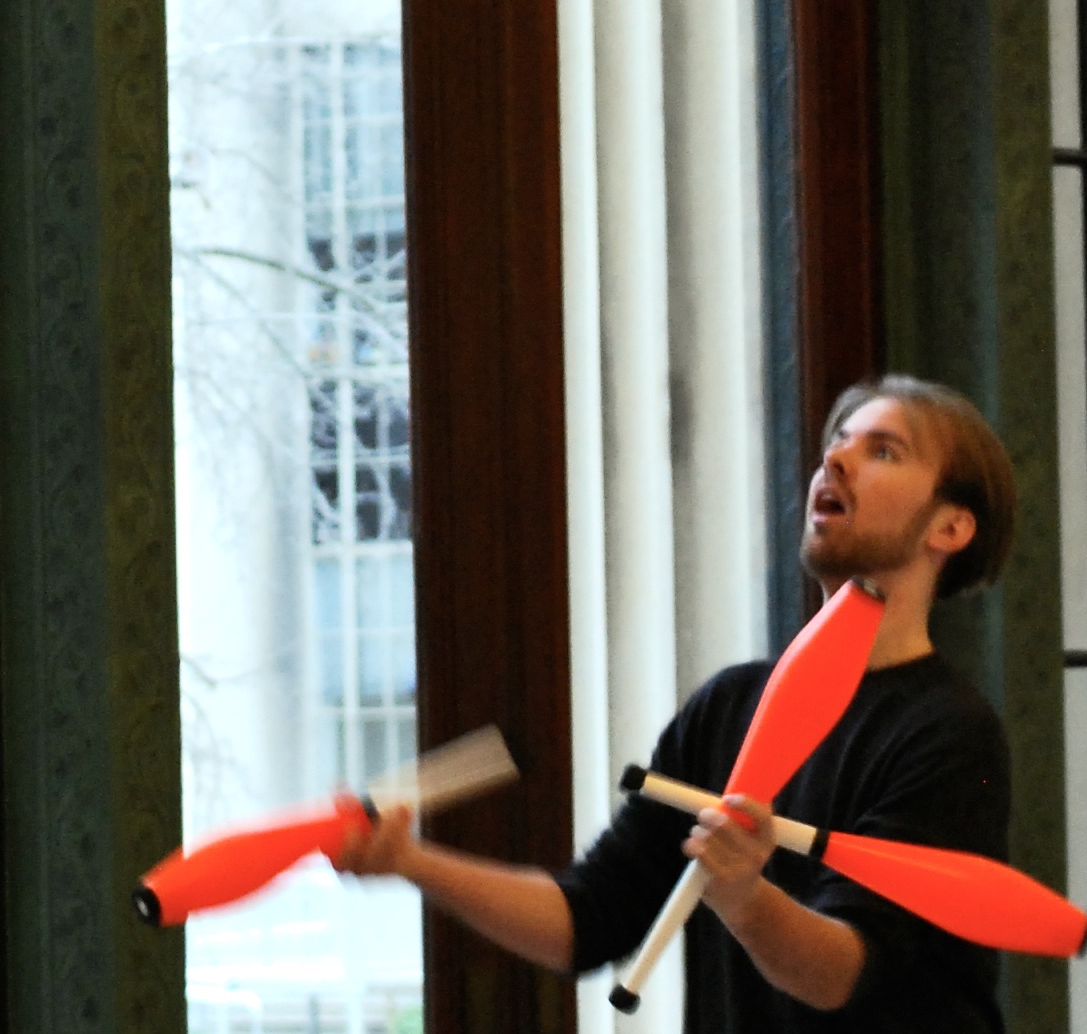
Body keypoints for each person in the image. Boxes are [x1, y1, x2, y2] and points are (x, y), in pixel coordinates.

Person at [340, 374, 1018, 1034]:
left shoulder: (948, 733)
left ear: (950, 527)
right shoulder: (727, 707)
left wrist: (745, 897)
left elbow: (839, 973)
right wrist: (409, 860)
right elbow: (588, 917)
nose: (833, 458)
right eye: (835, 441)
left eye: (881, 450)